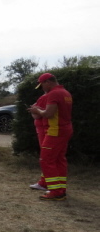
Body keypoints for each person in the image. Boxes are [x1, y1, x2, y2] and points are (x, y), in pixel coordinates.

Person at [27, 73, 73, 201]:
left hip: (55, 130)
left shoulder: (54, 94)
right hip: (65, 128)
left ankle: (55, 191)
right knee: (59, 159)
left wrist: (36, 110)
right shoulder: (66, 93)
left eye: (42, 85)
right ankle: (61, 189)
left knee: (46, 160)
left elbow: (48, 114)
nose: (42, 88)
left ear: (48, 82)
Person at [28, 93, 49, 191]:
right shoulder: (50, 97)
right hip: (46, 129)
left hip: (44, 130)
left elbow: (36, 115)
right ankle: (45, 182)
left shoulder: (44, 97)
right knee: (49, 157)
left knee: (47, 157)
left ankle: (46, 183)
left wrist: (34, 111)